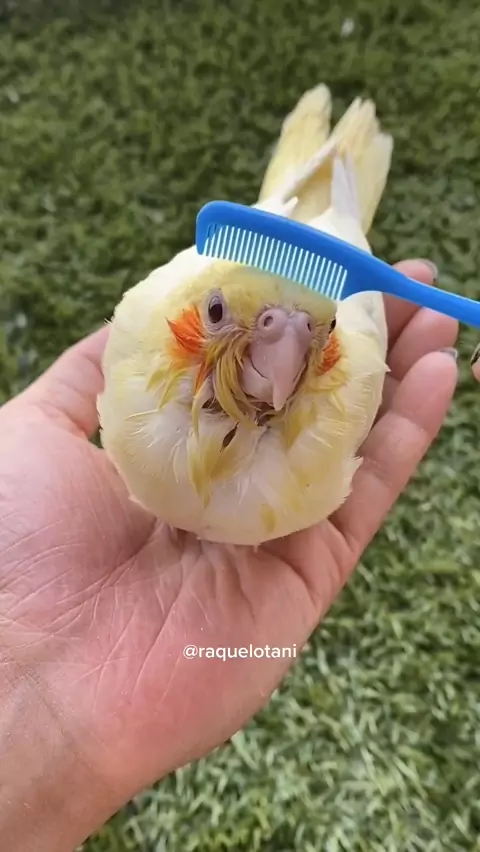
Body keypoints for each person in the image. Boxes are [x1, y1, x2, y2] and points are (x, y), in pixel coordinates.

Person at [0, 260, 460, 851]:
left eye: (317, 339)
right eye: (216, 314)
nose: (283, 351)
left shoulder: (343, 404)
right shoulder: (139, 347)